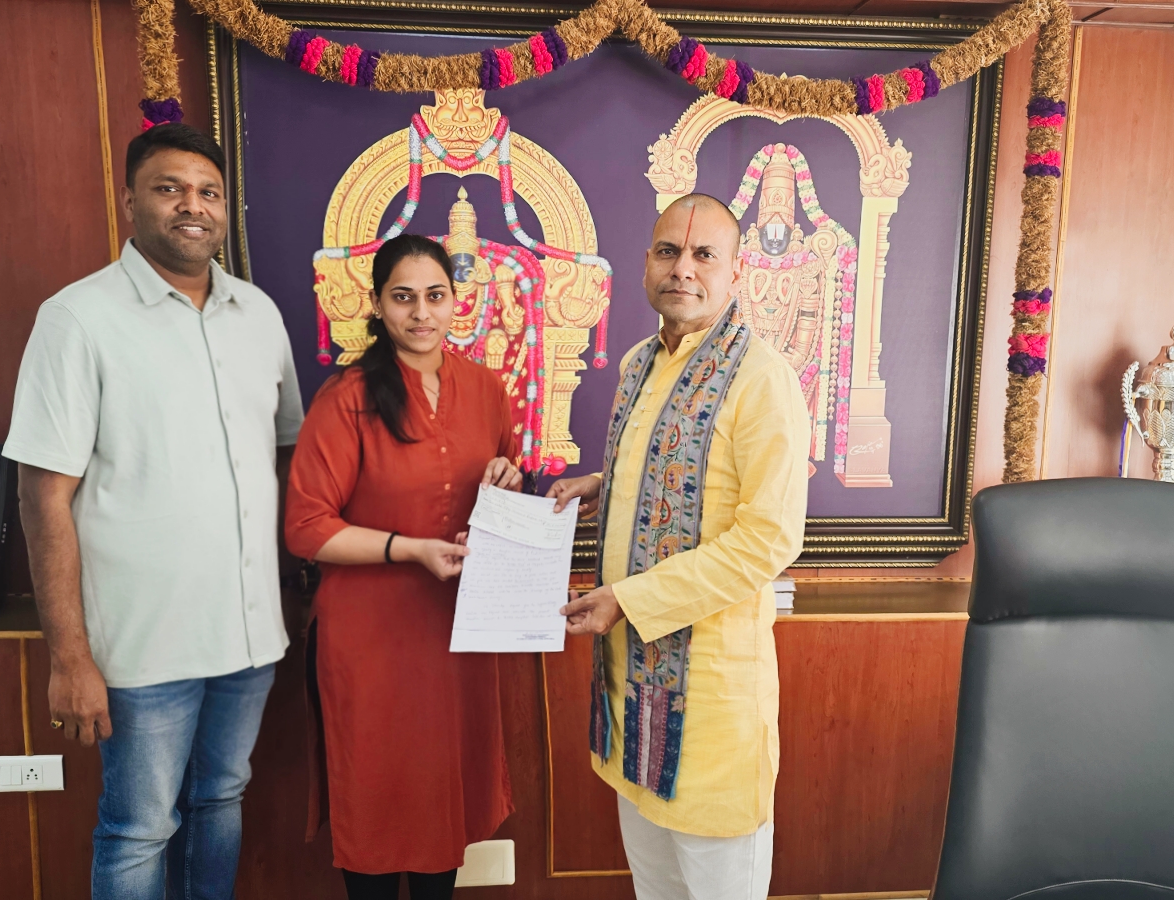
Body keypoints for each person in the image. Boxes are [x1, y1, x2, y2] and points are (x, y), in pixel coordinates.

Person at [4, 123, 303, 899]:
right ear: (130, 200)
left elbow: (285, 457)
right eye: (169, 189)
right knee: (139, 827)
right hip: (139, 646)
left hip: (248, 637)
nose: (191, 206)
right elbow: (42, 495)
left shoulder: (259, 316)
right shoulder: (78, 318)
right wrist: (69, 657)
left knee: (220, 800)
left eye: (208, 192)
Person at [550, 194, 811, 900]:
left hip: (712, 704)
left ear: (737, 272)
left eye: (703, 255)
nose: (683, 269)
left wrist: (627, 601)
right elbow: (678, 466)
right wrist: (606, 484)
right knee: (655, 890)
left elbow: (768, 538)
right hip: (632, 694)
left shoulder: (762, 379)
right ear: (646, 264)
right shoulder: (638, 364)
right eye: (668, 252)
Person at [285, 234, 522, 900]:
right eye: (403, 297)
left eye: (435, 296)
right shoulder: (348, 397)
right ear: (378, 305)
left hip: (457, 630)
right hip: (370, 637)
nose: (421, 313)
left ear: (455, 301)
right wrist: (409, 549)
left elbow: (500, 491)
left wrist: (508, 478)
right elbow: (305, 528)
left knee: (441, 803)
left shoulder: (485, 388)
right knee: (376, 800)